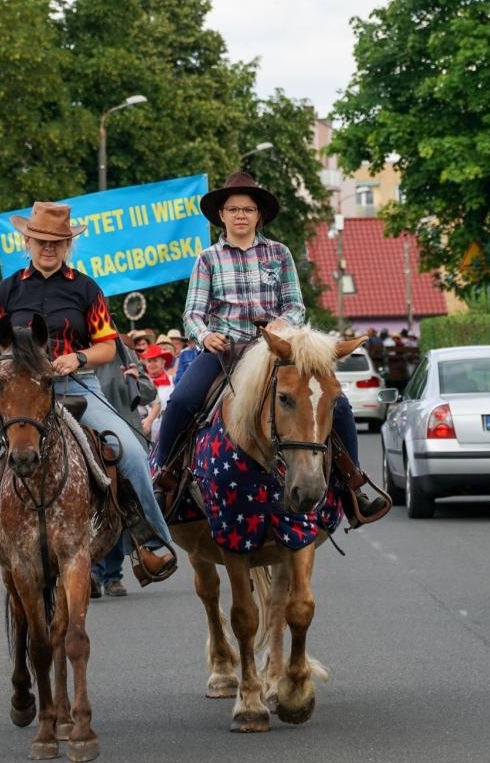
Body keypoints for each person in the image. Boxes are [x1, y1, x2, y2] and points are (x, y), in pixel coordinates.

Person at [0, 201, 176, 586]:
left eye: (56, 242)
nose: (48, 248)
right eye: (41, 240)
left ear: (67, 245)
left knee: (132, 452)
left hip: (77, 387)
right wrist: (5, 367)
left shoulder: (87, 290)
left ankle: (151, 544)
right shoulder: (6, 292)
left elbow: (107, 347)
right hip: (21, 395)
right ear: (27, 241)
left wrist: (77, 357)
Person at [154, 172, 389, 525]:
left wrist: (283, 324)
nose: (240, 215)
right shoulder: (207, 259)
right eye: (233, 209)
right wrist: (205, 337)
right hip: (226, 351)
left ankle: (353, 485)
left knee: (336, 404)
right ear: (221, 215)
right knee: (182, 401)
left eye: (247, 209)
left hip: (278, 351)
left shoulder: (279, 253)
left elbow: (295, 305)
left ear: (258, 215)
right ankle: (165, 477)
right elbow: (193, 314)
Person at [91, 337, 157, 598]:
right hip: (92, 434)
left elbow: (149, 393)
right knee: (94, 505)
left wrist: (136, 378)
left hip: (124, 434)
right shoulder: (78, 352)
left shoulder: (125, 352)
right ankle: (93, 572)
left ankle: (113, 575)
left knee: (119, 505)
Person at [140, 342, 175, 443]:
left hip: (168, 431)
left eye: (155, 361)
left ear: (163, 362)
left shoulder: (173, 381)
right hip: (145, 434)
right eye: (149, 361)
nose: (151, 364)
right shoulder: (141, 384)